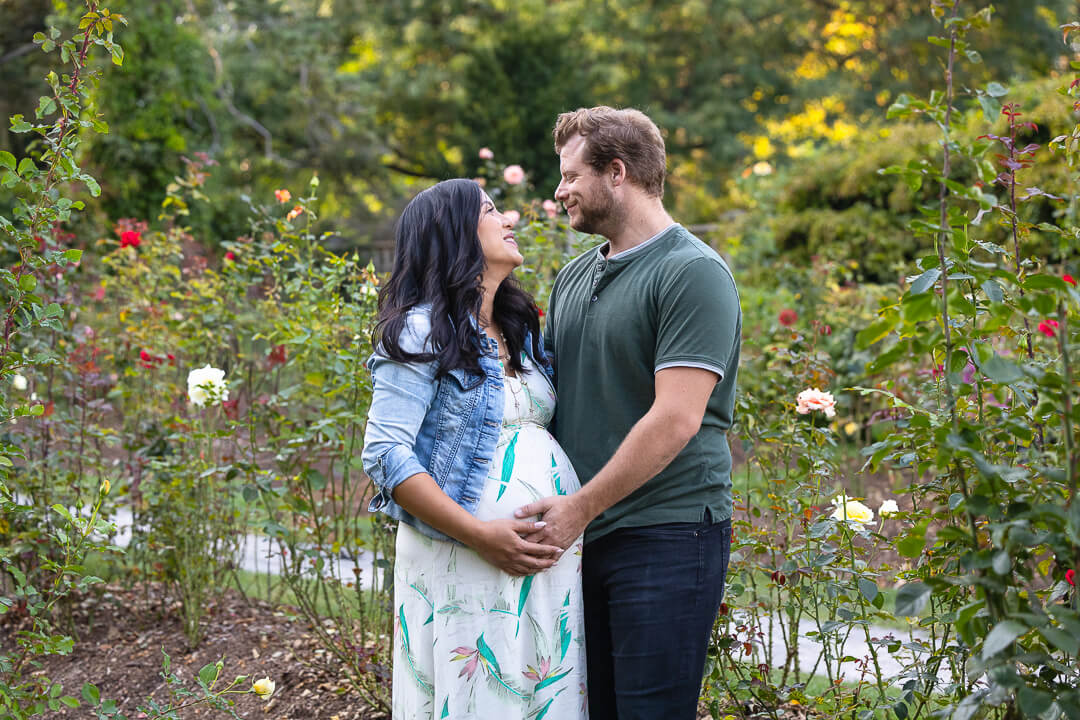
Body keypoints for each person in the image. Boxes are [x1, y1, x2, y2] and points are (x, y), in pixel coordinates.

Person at [516, 107, 741, 719]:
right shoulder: (575, 276)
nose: (558, 191)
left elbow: (675, 419)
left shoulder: (691, 273)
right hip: (583, 534)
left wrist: (578, 509)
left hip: (666, 534)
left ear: (617, 172)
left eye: (569, 175)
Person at [361, 179, 589, 720]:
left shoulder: (519, 330)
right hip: (467, 554)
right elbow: (386, 453)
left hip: (546, 561)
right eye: (491, 210)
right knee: (478, 694)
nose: (509, 217)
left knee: (539, 690)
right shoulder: (421, 330)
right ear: (457, 235)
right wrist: (481, 534)